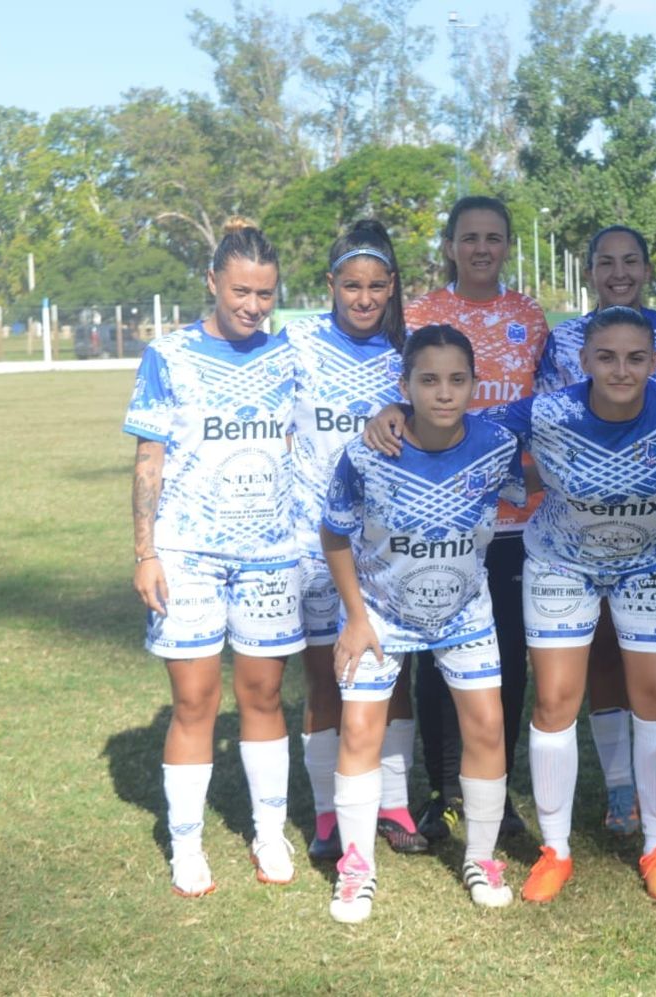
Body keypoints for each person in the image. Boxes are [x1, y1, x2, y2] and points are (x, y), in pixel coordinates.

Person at [368, 307, 656, 902]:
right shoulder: (548, 410)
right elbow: (460, 418)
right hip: (561, 562)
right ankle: (556, 850)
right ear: (584, 361)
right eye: (606, 357)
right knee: (554, 702)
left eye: (635, 358)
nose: (620, 370)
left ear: (654, 360)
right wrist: (395, 412)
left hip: (652, 563)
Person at [320, 325, 524, 922]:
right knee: (360, 732)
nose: (444, 392)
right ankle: (355, 869)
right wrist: (356, 619)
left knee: (486, 727)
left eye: (457, 379)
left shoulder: (496, 445)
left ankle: (482, 859)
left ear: (474, 384)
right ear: (404, 384)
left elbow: (527, 485)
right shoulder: (367, 453)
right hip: (379, 613)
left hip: (464, 613)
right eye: (428, 380)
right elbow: (334, 533)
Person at [125, 218, 305, 897]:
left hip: (269, 555)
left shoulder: (289, 354)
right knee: (195, 699)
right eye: (240, 291)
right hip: (188, 553)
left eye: (265, 293)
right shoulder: (168, 356)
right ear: (211, 282)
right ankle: (187, 842)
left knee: (262, 695)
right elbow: (150, 456)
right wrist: (146, 551)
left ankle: (268, 830)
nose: (253, 305)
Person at [535, 225, 656, 836]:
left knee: (649, 661)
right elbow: (544, 417)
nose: (618, 272)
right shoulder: (561, 340)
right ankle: (619, 786)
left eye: (630, 260)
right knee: (599, 650)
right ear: (589, 272)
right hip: (580, 520)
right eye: (605, 262)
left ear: (648, 268)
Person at [402, 196, 551, 841]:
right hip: (441, 518)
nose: (482, 248)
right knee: (438, 657)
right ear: (451, 245)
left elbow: (542, 412)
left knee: (508, 659)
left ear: (508, 245)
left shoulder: (529, 316)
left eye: (494, 237)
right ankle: (442, 787)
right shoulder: (419, 314)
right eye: (470, 237)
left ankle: (498, 786)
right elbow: (399, 399)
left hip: (517, 515)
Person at [285, 221, 425, 862]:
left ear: (391, 286)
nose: (363, 298)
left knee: (391, 680)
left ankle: (392, 803)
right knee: (323, 679)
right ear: (331, 285)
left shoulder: (412, 350)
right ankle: (324, 814)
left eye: (375, 286)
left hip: (386, 549)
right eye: (351, 286)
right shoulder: (297, 344)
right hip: (313, 544)